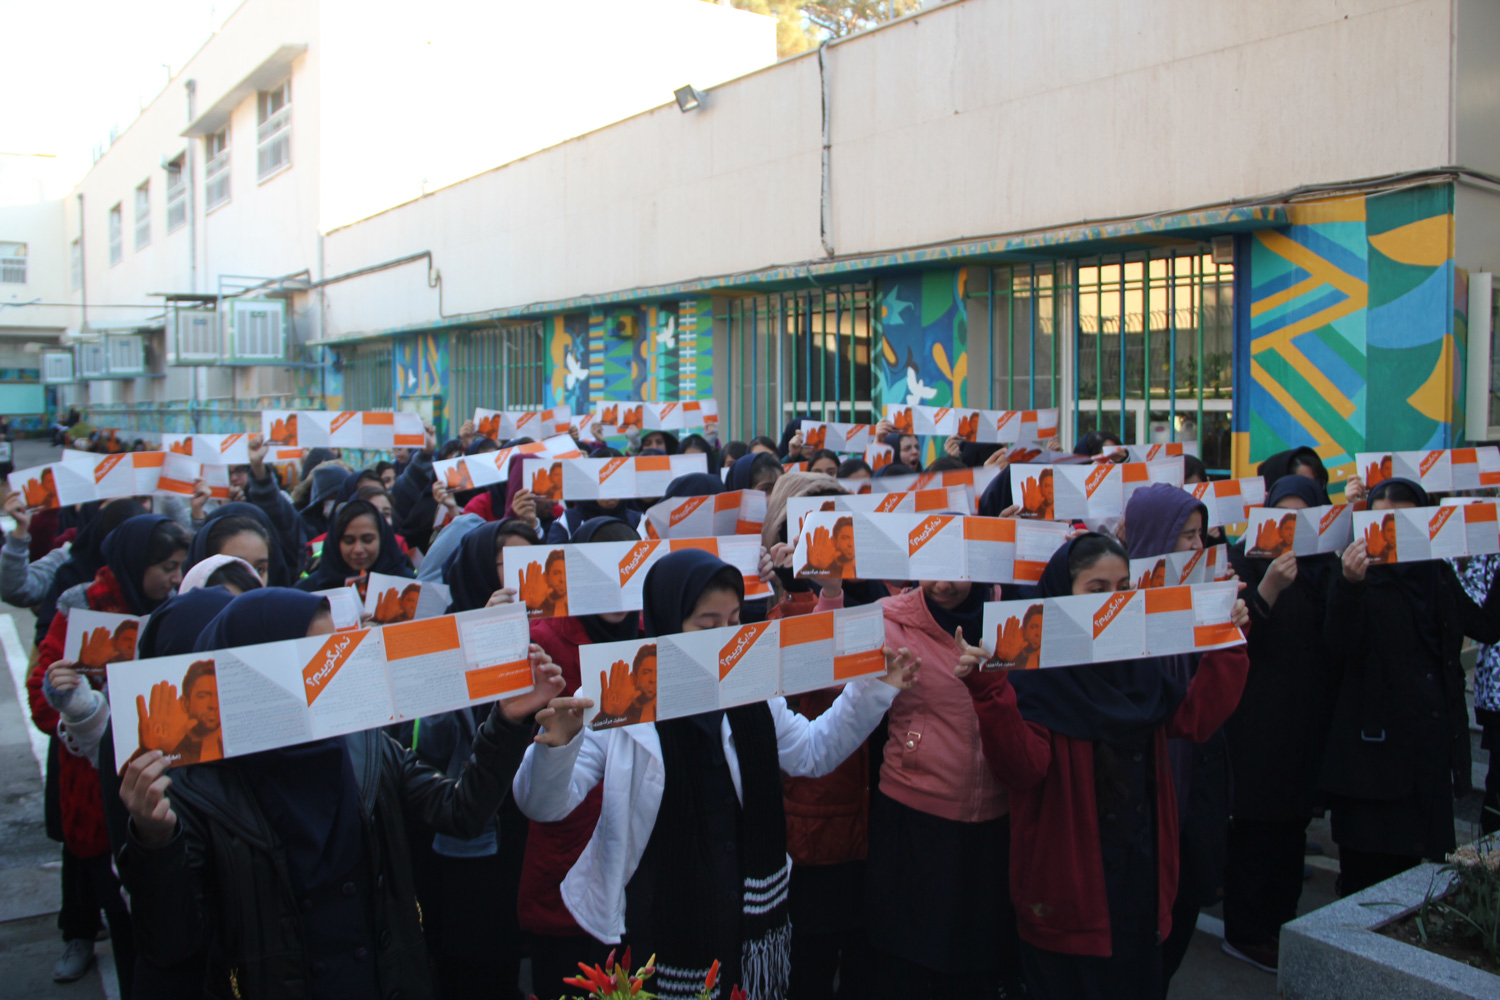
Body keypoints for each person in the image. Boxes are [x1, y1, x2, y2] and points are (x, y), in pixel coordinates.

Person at [114, 588, 565, 1000]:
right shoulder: (195, 789)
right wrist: (155, 841)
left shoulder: (364, 746)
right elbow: (172, 943)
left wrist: (507, 722)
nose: (332, 665)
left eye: (336, 648)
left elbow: (461, 812)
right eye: (314, 654)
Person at [514, 548, 916, 1000]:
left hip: (746, 918)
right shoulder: (617, 695)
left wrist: (874, 691)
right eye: (707, 626)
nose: (723, 638)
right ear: (668, 621)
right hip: (653, 926)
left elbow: (812, 752)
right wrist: (557, 747)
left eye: (733, 622)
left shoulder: (751, 687)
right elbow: (544, 805)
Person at [960, 533, 1249, 999]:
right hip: (1068, 896)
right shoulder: (1032, 672)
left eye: (1123, 588)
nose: (1113, 601)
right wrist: (989, 693)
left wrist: (1228, 641)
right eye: (1096, 589)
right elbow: (1021, 769)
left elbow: (1195, 718)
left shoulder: (1140, 664)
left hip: (1140, 885)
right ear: (1062, 593)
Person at [30, 514, 191, 998]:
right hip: (97, 790)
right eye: (166, 567)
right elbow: (42, 697)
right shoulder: (82, 608)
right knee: (121, 912)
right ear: (136, 563)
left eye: (181, 566)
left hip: (167, 784)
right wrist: (72, 700)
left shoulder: (180, 608)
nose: (176, 578)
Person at [1320, 477, 1500, 896]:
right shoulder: (1355, 576)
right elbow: (1339, 644)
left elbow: (1485, 625)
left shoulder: (1436, 572)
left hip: (1428, 755)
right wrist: (1350, 585)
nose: (1393, 532)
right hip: (1372, 761)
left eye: (1404, 521)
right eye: (1381, 521)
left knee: (1415, 884)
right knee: (1366, 883)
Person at [862, 553, 1018, 998]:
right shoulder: (889, 619)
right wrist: (831, 594)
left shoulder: (1010, 617)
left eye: (957, 573)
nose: (943, 585)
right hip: (913, 812)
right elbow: (833, 683)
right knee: (906, 958)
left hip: (992, 816)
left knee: (974, 961)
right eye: (932, 570)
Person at [519, 517, 644, 998]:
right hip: (570, 844)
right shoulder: (543, 641)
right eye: (600, 575)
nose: (615, 592)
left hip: (636, 847)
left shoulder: (651, 634)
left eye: (624, 575)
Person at [1219, 474, 1338, 972]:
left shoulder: (1327, 566)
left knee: (1292, 825)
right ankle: (1246, 930)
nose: (1292, 528)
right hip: (1258, 719)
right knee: (1256, 827)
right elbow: (1235, 636)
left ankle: (1280, 921)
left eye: (1303, 517)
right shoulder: (1246, 562)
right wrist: (1268, 588)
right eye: (1281, 515)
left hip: (1307, 717)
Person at [1119, 483, 1231, 991]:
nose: (1196, 546)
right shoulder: (1115, 608)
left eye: (1200, 534)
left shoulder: (1200, 599)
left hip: (1192, 798)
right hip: (1140, 805)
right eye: (1185, 534)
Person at [297, 498, 414, 592]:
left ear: (382, 539)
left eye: (367, 540)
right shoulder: (309, 592)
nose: (358, 549)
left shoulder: (410, 587)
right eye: (349, 541)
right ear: (336, 542)